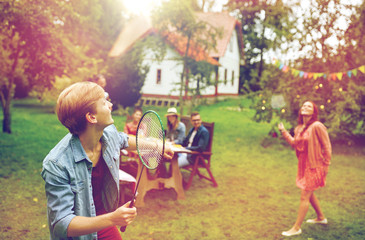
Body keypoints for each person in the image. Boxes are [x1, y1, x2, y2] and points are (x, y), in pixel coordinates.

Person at [41, 82, 173, 240]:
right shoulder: (56, 164)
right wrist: (113, 218)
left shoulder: (107, 133)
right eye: (104, 102)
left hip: (103, 223)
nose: (110, 105)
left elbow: (122, 139)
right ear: (91, 117)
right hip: (77, 234)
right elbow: (61, 223)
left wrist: (156, 146)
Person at [278, 101, 332, 237]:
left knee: (304, 196)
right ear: (300, 110)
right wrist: (283, 131)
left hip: (315, 166)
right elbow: (294, 144)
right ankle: (321, 217)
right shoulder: (299, 128)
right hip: (303, 166)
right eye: (303, 105)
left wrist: (326, 164)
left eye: (309, 106)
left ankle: (296, 228)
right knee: (308, 191)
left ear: (313, 112)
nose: (305, 107)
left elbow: (327, 146)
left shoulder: (317, 126)